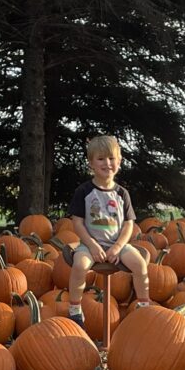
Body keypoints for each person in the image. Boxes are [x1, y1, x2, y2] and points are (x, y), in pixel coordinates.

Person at [64, 135, 151, 326]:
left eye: (112, 158)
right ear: (91, 163)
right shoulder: (84, 191)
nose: (107, 163)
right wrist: (92, 245)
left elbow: (129, 224)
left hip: (116, 244)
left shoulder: (121, 193)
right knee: (79, 265)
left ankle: (144, 308)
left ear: (119, 162)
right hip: (90, 244)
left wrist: (118, 247)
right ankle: (75, 310)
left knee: (140, 264)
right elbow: (77, 222)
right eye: (101, 158)